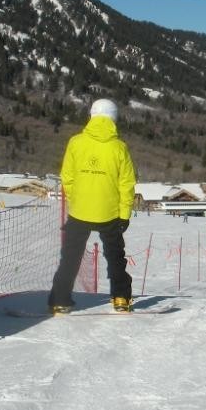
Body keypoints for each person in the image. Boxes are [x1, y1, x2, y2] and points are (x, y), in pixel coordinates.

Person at [48, 99, 137, 314]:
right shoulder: (119, 147)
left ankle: (60, 300)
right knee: (115, 257)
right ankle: (121, 298)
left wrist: (77, 198)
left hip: (80, 211)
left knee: (70, 257)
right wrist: (124, 214)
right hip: (110, 213)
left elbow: (67, 177)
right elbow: (127, 184)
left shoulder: (76, 142)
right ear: (114, 119)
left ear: (92, 116)